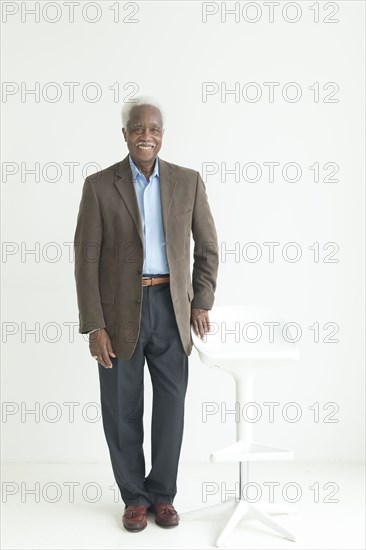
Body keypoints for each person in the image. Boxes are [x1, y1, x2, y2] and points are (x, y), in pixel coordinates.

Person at [73, 96, 219, 532]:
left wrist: (201, 300)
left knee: (171, 408)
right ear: (125, 135)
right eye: (138, 128)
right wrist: (94, 324)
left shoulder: (187, 182)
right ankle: (134, 497)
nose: (146, 136)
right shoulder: (99, 186)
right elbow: (86, 261)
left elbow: (208, 247)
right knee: (122, 407)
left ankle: (163, 495)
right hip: (119, 314)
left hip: (172, 310)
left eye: (154, 129)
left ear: (162, 135)